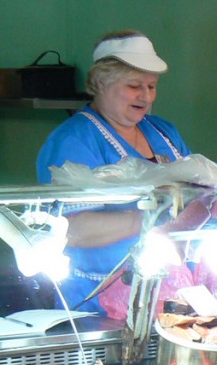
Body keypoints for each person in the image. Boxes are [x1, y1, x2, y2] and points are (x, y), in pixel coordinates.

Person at [36, 30, 198, 319]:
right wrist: (149, 219)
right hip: (97, 304)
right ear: (100, 82)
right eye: (134, 85)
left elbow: (195, 194)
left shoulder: (164, 132)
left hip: (170, 294)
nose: (146, 97)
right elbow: (70, 228)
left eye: (152, 86)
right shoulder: (73, 141)